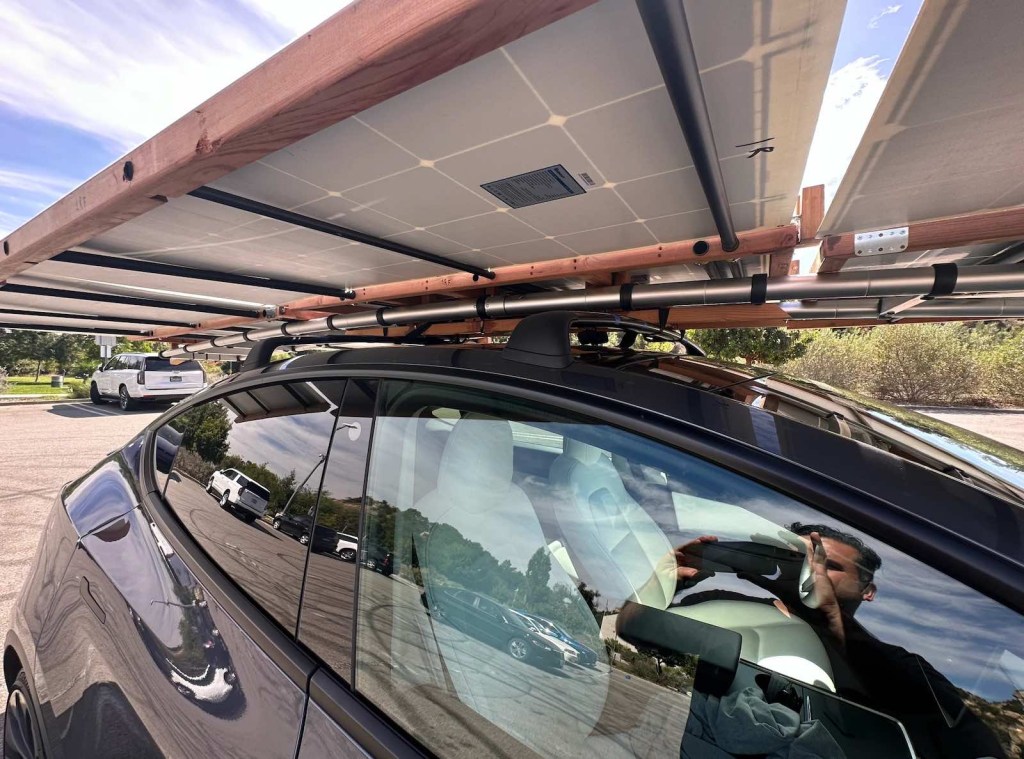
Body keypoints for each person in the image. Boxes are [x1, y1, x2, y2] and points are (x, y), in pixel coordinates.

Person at [671, 523, 1008, 759]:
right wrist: (671, 577)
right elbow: (631, 632)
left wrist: (828, 614)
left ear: (868, 590)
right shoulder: (723, 606)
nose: (811, 569)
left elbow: (972, 744)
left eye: (828, 564)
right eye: (798, 557)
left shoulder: (900, 669)